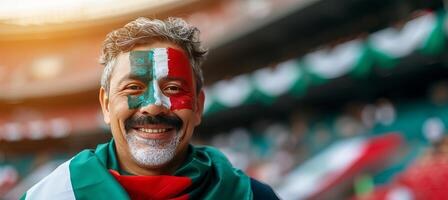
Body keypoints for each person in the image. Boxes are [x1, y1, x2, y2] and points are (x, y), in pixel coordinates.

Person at [21, 17, 279, 200]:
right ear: (107, 105)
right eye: (133, 88)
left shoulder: (250, 195)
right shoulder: (58, 194)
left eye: (174, 88)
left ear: (198, 106)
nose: (154, 106)